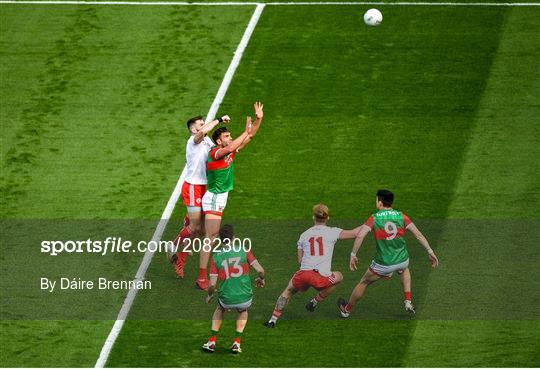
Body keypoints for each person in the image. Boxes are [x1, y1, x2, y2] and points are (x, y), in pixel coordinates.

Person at [338, 189, 439, 317]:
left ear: (380, 203)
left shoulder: (374, 218)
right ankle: (408, 301)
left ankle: (346, 310)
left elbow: (360, 236)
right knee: (404, 269)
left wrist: (353, 254)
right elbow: (418, 235)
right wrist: (430, 252)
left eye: (376, 200)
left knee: (364, 282)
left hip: (384, 264)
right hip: (403, 260)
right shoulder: (402, 216)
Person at [196, 102, 264, 290]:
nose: (230, 138)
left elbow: (249, 136)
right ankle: (202, 278)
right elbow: (234, 144)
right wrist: (245, 131)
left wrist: (259, 119)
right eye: (226, 136)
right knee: (210, 237)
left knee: (205, 234)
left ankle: (186, 238)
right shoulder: (216, 152)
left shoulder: (230, 150)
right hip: (214, 197)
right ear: (218, 141)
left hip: (220, 198)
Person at [264, 204, 361, 328]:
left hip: (303, 274)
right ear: (328, 218)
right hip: (321, 278)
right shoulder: (333, 232)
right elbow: (355, 233)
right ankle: (315, 301)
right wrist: (369, 225)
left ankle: (272, 320)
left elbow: (300, 260)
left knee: (288, 291)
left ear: (313, 217)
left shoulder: (303, 235)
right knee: (339, 277)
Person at [169, 114, 230, 278]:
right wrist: (218, 120)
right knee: (195, 227)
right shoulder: (193, 140)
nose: (205, 125)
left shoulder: (208, 141)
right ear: (195, 128)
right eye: (202, 124)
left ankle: (181, 257)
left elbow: (218, 152)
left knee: (202, 231)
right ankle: (173, 246)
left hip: (205, 187)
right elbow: (202, 134)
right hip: (193, 187)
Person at [202, 224, 265, 354]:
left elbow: (212, 285)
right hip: (245, 296)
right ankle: (236, 342)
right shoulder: (244, 250)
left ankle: (212, 341)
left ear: (220, 239)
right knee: (243, 310)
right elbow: (260, 270)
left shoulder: (216, 257)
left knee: (220, 308)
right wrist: (261, 279)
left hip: (226, 298)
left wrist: (210, 295)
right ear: (233, 237)